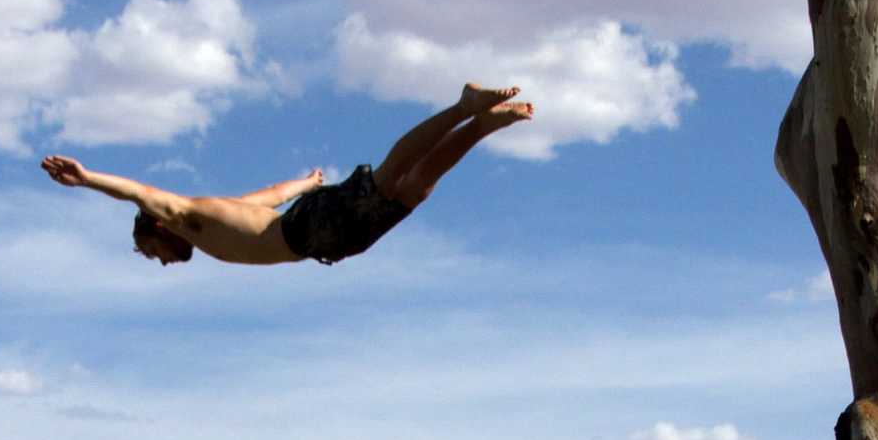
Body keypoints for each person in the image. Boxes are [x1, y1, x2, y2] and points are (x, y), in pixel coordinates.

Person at [40, 84, 534, 270]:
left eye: (149, 251)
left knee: (390, 180)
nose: (158, 260)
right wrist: (308, 183)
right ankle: (481, 125)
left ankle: (463, 107)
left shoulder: (187, 215)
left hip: (308, 230)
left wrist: (88, 179)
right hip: (320, 235)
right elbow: (272, 195)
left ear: (157, 225)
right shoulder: (220, 218)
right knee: (413, 191)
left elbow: (141, 192)